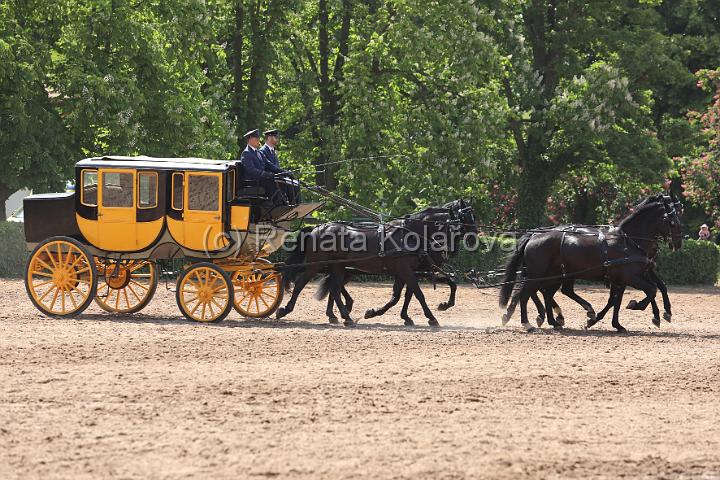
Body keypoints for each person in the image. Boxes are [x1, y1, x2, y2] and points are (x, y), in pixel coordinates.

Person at [240, 129, 285, 203]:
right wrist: (264, 174)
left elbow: (269, 165)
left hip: (261, 180)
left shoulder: (259, 153)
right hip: (253, 181)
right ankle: (275, 205)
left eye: (258, 138)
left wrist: (283, 172)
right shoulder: (246, 153)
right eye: (256, 138)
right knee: (273, 183)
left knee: (282, 182)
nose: (259, 140)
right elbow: (251, 170)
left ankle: (283, 204)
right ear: (250, 139)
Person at [259, 128, 301, 204]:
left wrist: (286, 173)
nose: (277, 139)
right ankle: (293, 206)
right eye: (276, 137)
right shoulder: (262, 151)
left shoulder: (273, 151)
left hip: (277, 178)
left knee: (295, 184)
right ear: (269, 137)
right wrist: (285, 172)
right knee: (291, 185)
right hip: (270, 180)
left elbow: (277, 167)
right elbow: (270, 167)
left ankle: (297, 206)